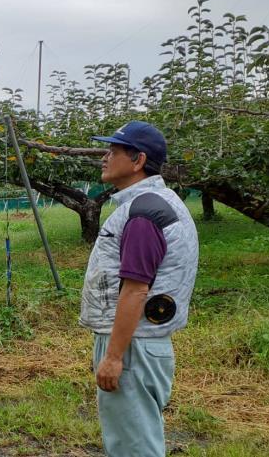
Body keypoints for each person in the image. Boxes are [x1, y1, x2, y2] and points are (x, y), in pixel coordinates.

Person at [82, 121, 199, 456]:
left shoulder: (143, 214)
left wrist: (114, 356)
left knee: (134, 447)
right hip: (143, 342)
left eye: (113, 151)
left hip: (132, 344)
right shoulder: (160, 201)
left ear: (137, 161)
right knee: (139, 437)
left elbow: (135, 290)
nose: (104, 158)